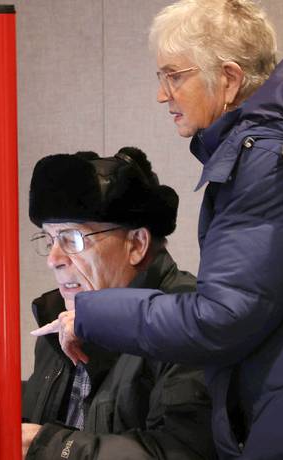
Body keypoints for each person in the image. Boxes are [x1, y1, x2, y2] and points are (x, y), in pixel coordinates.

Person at [36, 1, 283, 458]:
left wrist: (90, 314)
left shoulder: (268, 161)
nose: (162, 95)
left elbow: (222, 318)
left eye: (174, 76)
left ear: (228, 79)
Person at [22, 147, 216, 459]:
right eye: (49, 240)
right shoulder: (55, 324)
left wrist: (47, 445)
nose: (53, 260)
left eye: (71, 239)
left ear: (136, 244)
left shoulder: (187, 321)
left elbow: (184, 452)